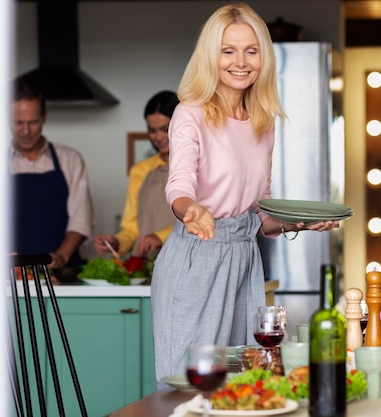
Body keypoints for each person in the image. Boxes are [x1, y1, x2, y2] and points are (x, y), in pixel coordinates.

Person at [150, 2, 339, 386]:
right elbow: (180, 182)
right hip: (196, 257)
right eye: (228, 51)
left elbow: (260, 211)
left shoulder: (263, 122)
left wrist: (298, 222)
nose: (241, 62)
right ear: (211, 57)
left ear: (263, 57)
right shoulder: (191, 113)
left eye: (251, 51)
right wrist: (190, 210)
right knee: (189, 384)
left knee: (242, 380)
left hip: (245, 262)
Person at [9, 79, 95, 269]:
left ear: (44, 117)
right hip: (8, 276)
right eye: (18, 123)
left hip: (61, 274)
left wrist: (60, 257)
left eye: (33, 122)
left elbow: (81, 220)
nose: (25, 131)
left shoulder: (70, 159)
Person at [93, 91, 179, 259]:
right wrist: (116, 242)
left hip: (186, 264)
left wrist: (160, 237)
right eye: (152, 130)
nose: (158, 137)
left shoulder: (201, 167)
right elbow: (131, 228)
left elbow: (205, 219)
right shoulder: (140, 171)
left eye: (165, 129)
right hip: (146, 267)